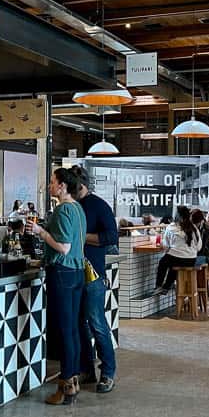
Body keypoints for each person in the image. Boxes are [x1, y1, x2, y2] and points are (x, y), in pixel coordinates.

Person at [26, 168, 86, 406]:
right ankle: (73, 380)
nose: (50, 186)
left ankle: (65, 385)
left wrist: (41, 232)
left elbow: (63, 247)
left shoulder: (62, 210)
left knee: (64, 332)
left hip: (62, 273)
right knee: (72, 329)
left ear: (62, 186)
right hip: (77, 272)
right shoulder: (78, 209)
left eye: (52, 182)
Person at [71, 166, 117, 394]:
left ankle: (108, 372)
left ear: (81, 185)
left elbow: (111, 236)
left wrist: (81, 237)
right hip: (72, 273)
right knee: (79, 324)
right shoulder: (70, 205)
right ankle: (86, 369)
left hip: (93, 274)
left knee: (97, 324)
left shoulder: (99, 206)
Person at [154, 205, 200, 293]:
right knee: (173, 265)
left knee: (163, 262)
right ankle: (166, 287)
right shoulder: (194, 228)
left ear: (177, 216)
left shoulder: (171, 227)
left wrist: (163, 245)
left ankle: (159, 286)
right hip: (191, 260)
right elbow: (198, 246)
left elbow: (166, 246)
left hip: (177, 258)